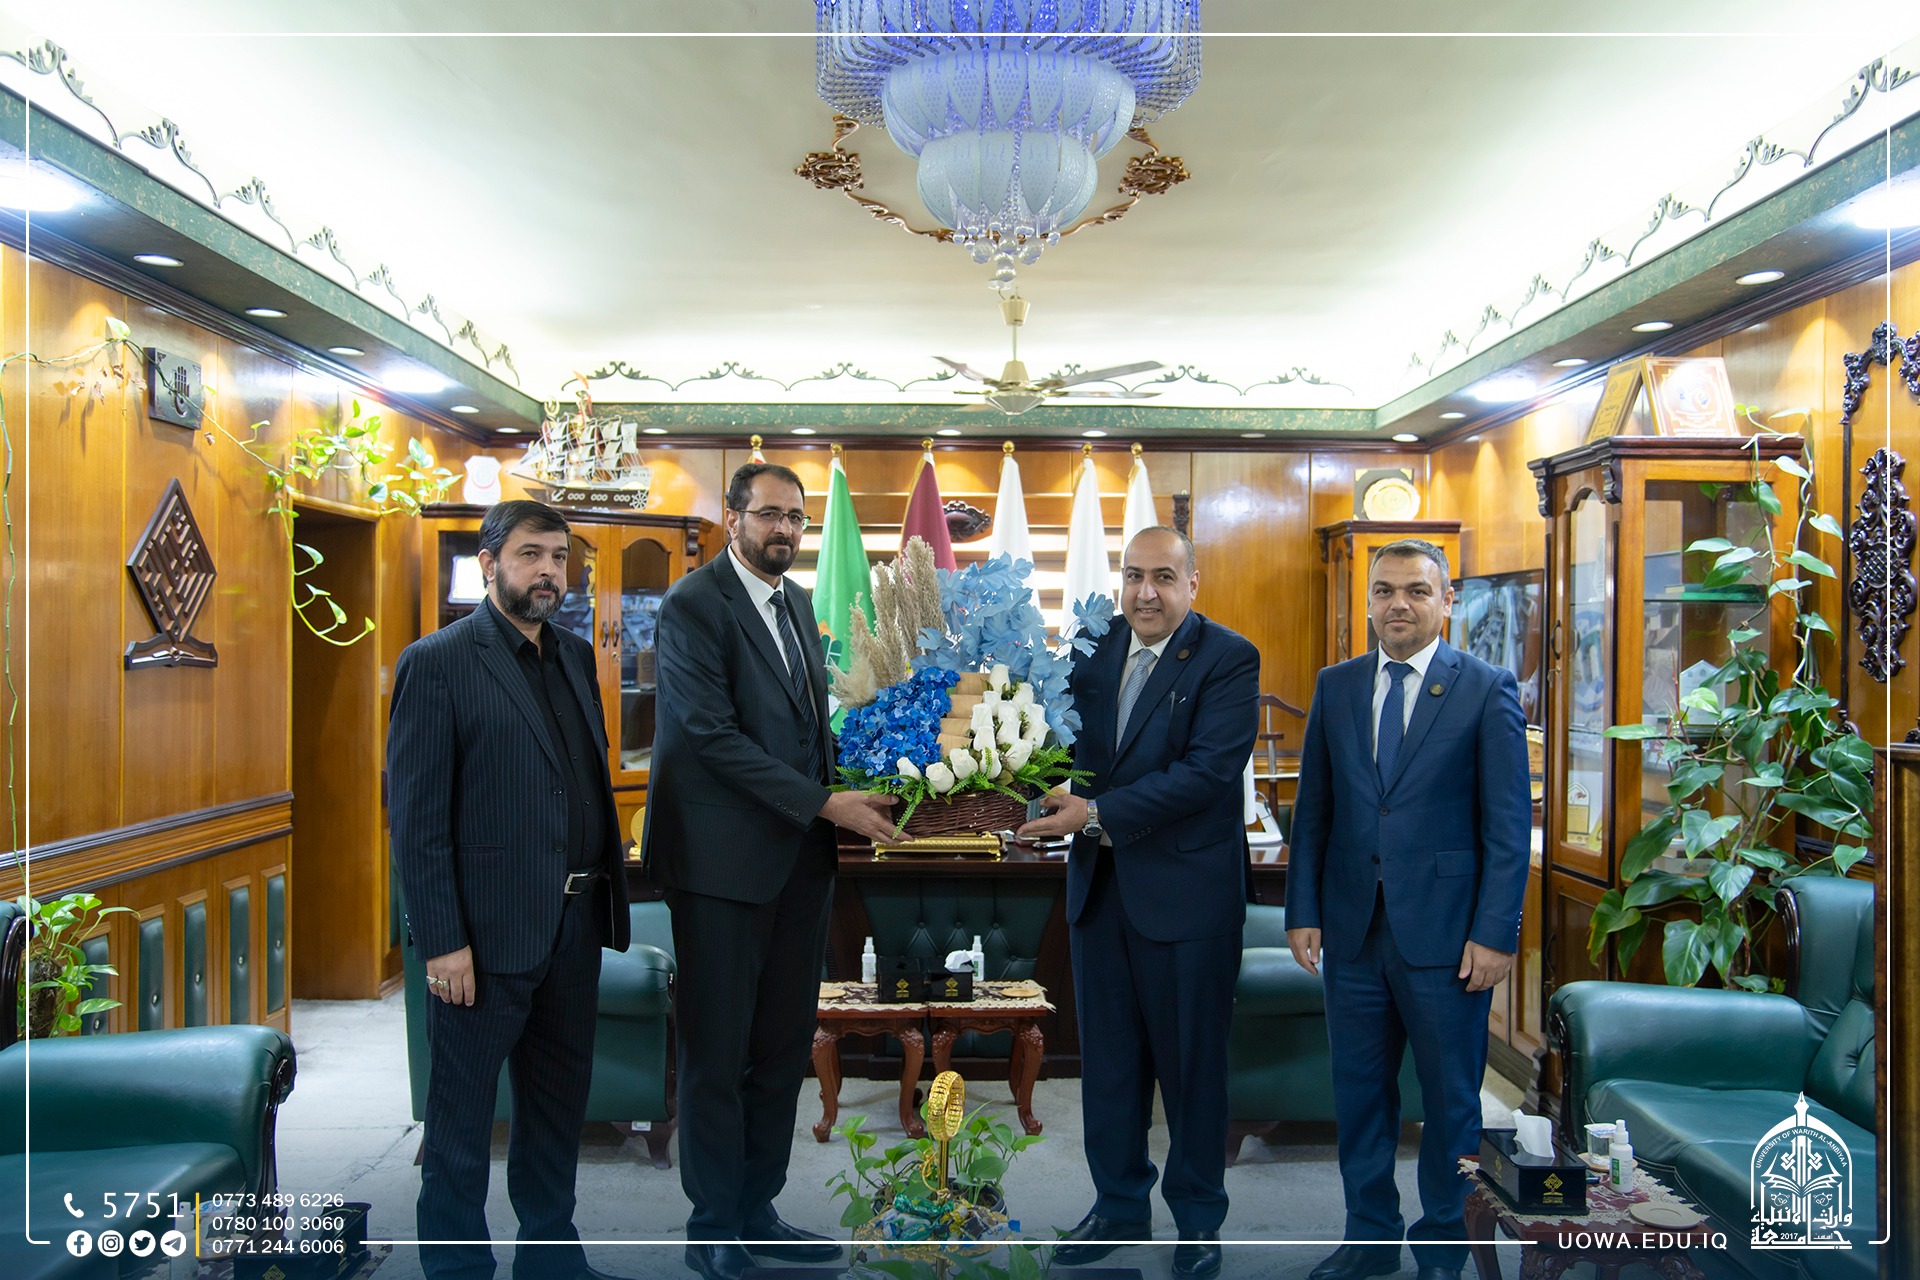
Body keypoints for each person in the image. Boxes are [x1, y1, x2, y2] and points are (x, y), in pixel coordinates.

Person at [640, 462, 906, 1280]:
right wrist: (826, 803)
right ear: (733, 519)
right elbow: (710, 736)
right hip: (720, 869)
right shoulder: (692, 605)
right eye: (768, 514)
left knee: (782, 1048)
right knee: (718, 1056)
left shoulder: (794, 602)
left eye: (795, 517)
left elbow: (803, 730)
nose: (784, 529)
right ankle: (713, 1226)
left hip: (797, 865)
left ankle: (758, 1209)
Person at [387, 499, 632, 1280]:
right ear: (489, 563)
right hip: (482, 939)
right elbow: (417, 822)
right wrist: (442, 943)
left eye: (559, 557)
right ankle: (456, 1268)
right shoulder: (437, 661)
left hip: (574, 926)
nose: (549, 572)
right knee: (460, 1123)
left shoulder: (574, 656)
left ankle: (551, 1260)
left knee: (557, 1113)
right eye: (531, 555)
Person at [1285, 539, 1530, 1280]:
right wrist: (1303, 910)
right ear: (1368, 601)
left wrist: (1496, 933)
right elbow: (1314, 810)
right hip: (1353, 931)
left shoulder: (1485, 688)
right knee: (1360, 1097)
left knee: (1452, 1103)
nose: (1399, 604)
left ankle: (1443, 1246)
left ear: (1446, 600)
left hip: (1449, 938)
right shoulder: (1336, 685)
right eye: (1385, 590)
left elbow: (1507, 828)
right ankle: (1368, 1239)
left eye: (1417, 591)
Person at [1018, 525, 1259, 1280]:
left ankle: (1198, 1219)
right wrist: (1011, 778)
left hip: (1188, 901)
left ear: (1193, 584)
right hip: (1101, 895)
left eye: (1163, 577)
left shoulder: (1228, 657)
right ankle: (1119, 1205)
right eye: (1132, 576)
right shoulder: (1093, 648)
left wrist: (1094, 812)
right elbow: (1057, 746)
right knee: (1111, 1068)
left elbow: (1207, 773)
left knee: (1192, 1072)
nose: (1145, 593)